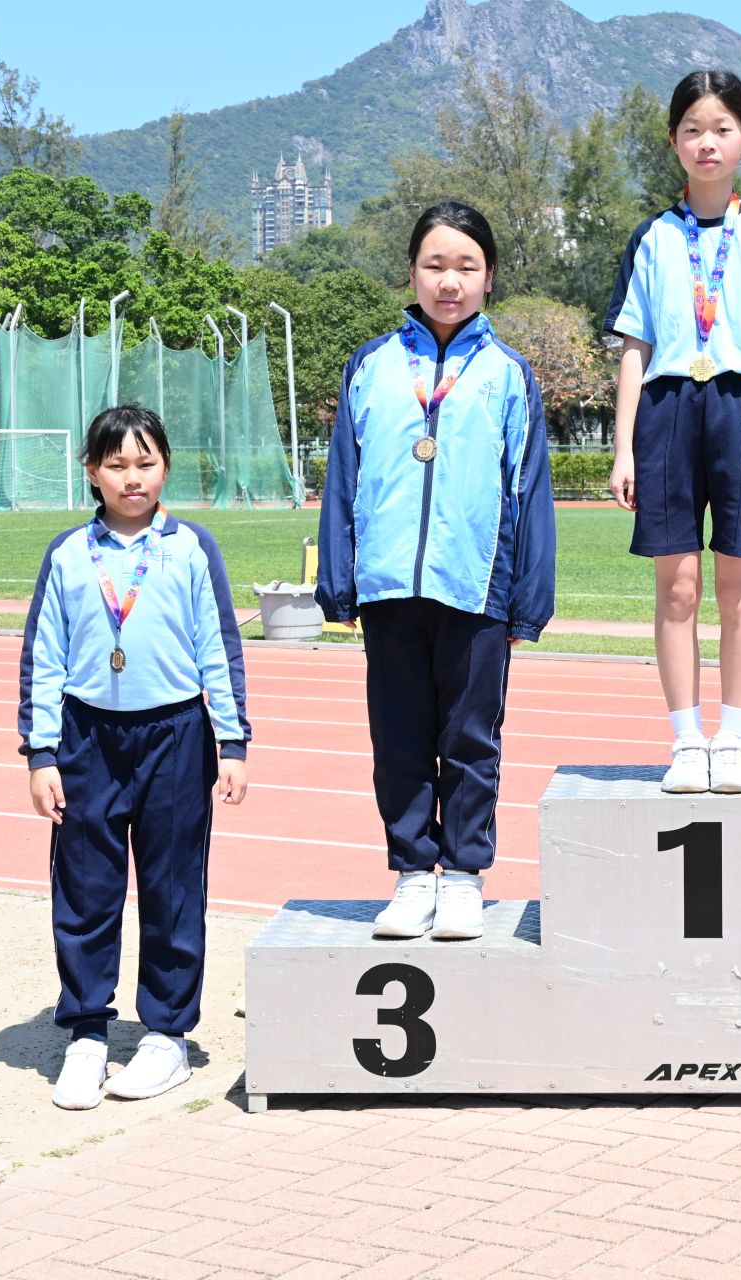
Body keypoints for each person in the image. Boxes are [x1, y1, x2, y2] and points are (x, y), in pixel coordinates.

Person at [316, 201, 556, 943]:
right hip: (389, 584)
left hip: (475, 584)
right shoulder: (371, 365)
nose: (449, 282)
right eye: (435, 265)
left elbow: (529, 488)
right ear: (412, 272)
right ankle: (414, 873)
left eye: (466, 266)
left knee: (472, 739)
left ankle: (466, 876)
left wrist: (527, 598)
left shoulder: (508, 374)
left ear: (490, 276)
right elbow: (344, 479)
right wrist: (340, 581)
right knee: (399, 739)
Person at [19, 404, 251, 1111]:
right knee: (85, 890)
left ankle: (166, 1037)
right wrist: (41, 753)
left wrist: (232, 741)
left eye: (145, 462)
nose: (132, 477)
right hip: (88, 740)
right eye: (116, 464)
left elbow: (218, 650)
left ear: (166, 467)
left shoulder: (191, 548)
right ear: (91, 472)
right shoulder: (68, 553)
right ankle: (87, 1032)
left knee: (172, 889)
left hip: (176, 737)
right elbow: (44, 657)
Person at [604, 68, 741, 795]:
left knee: (740, 585)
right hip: (668, 410)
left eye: (722, 129)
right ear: (673, 140)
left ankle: (733, 738)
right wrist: (623, 448)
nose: (707, 143)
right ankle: (685, 739)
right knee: (677, 587)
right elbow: (634, 348)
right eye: (693, 129)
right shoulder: (652, 238)